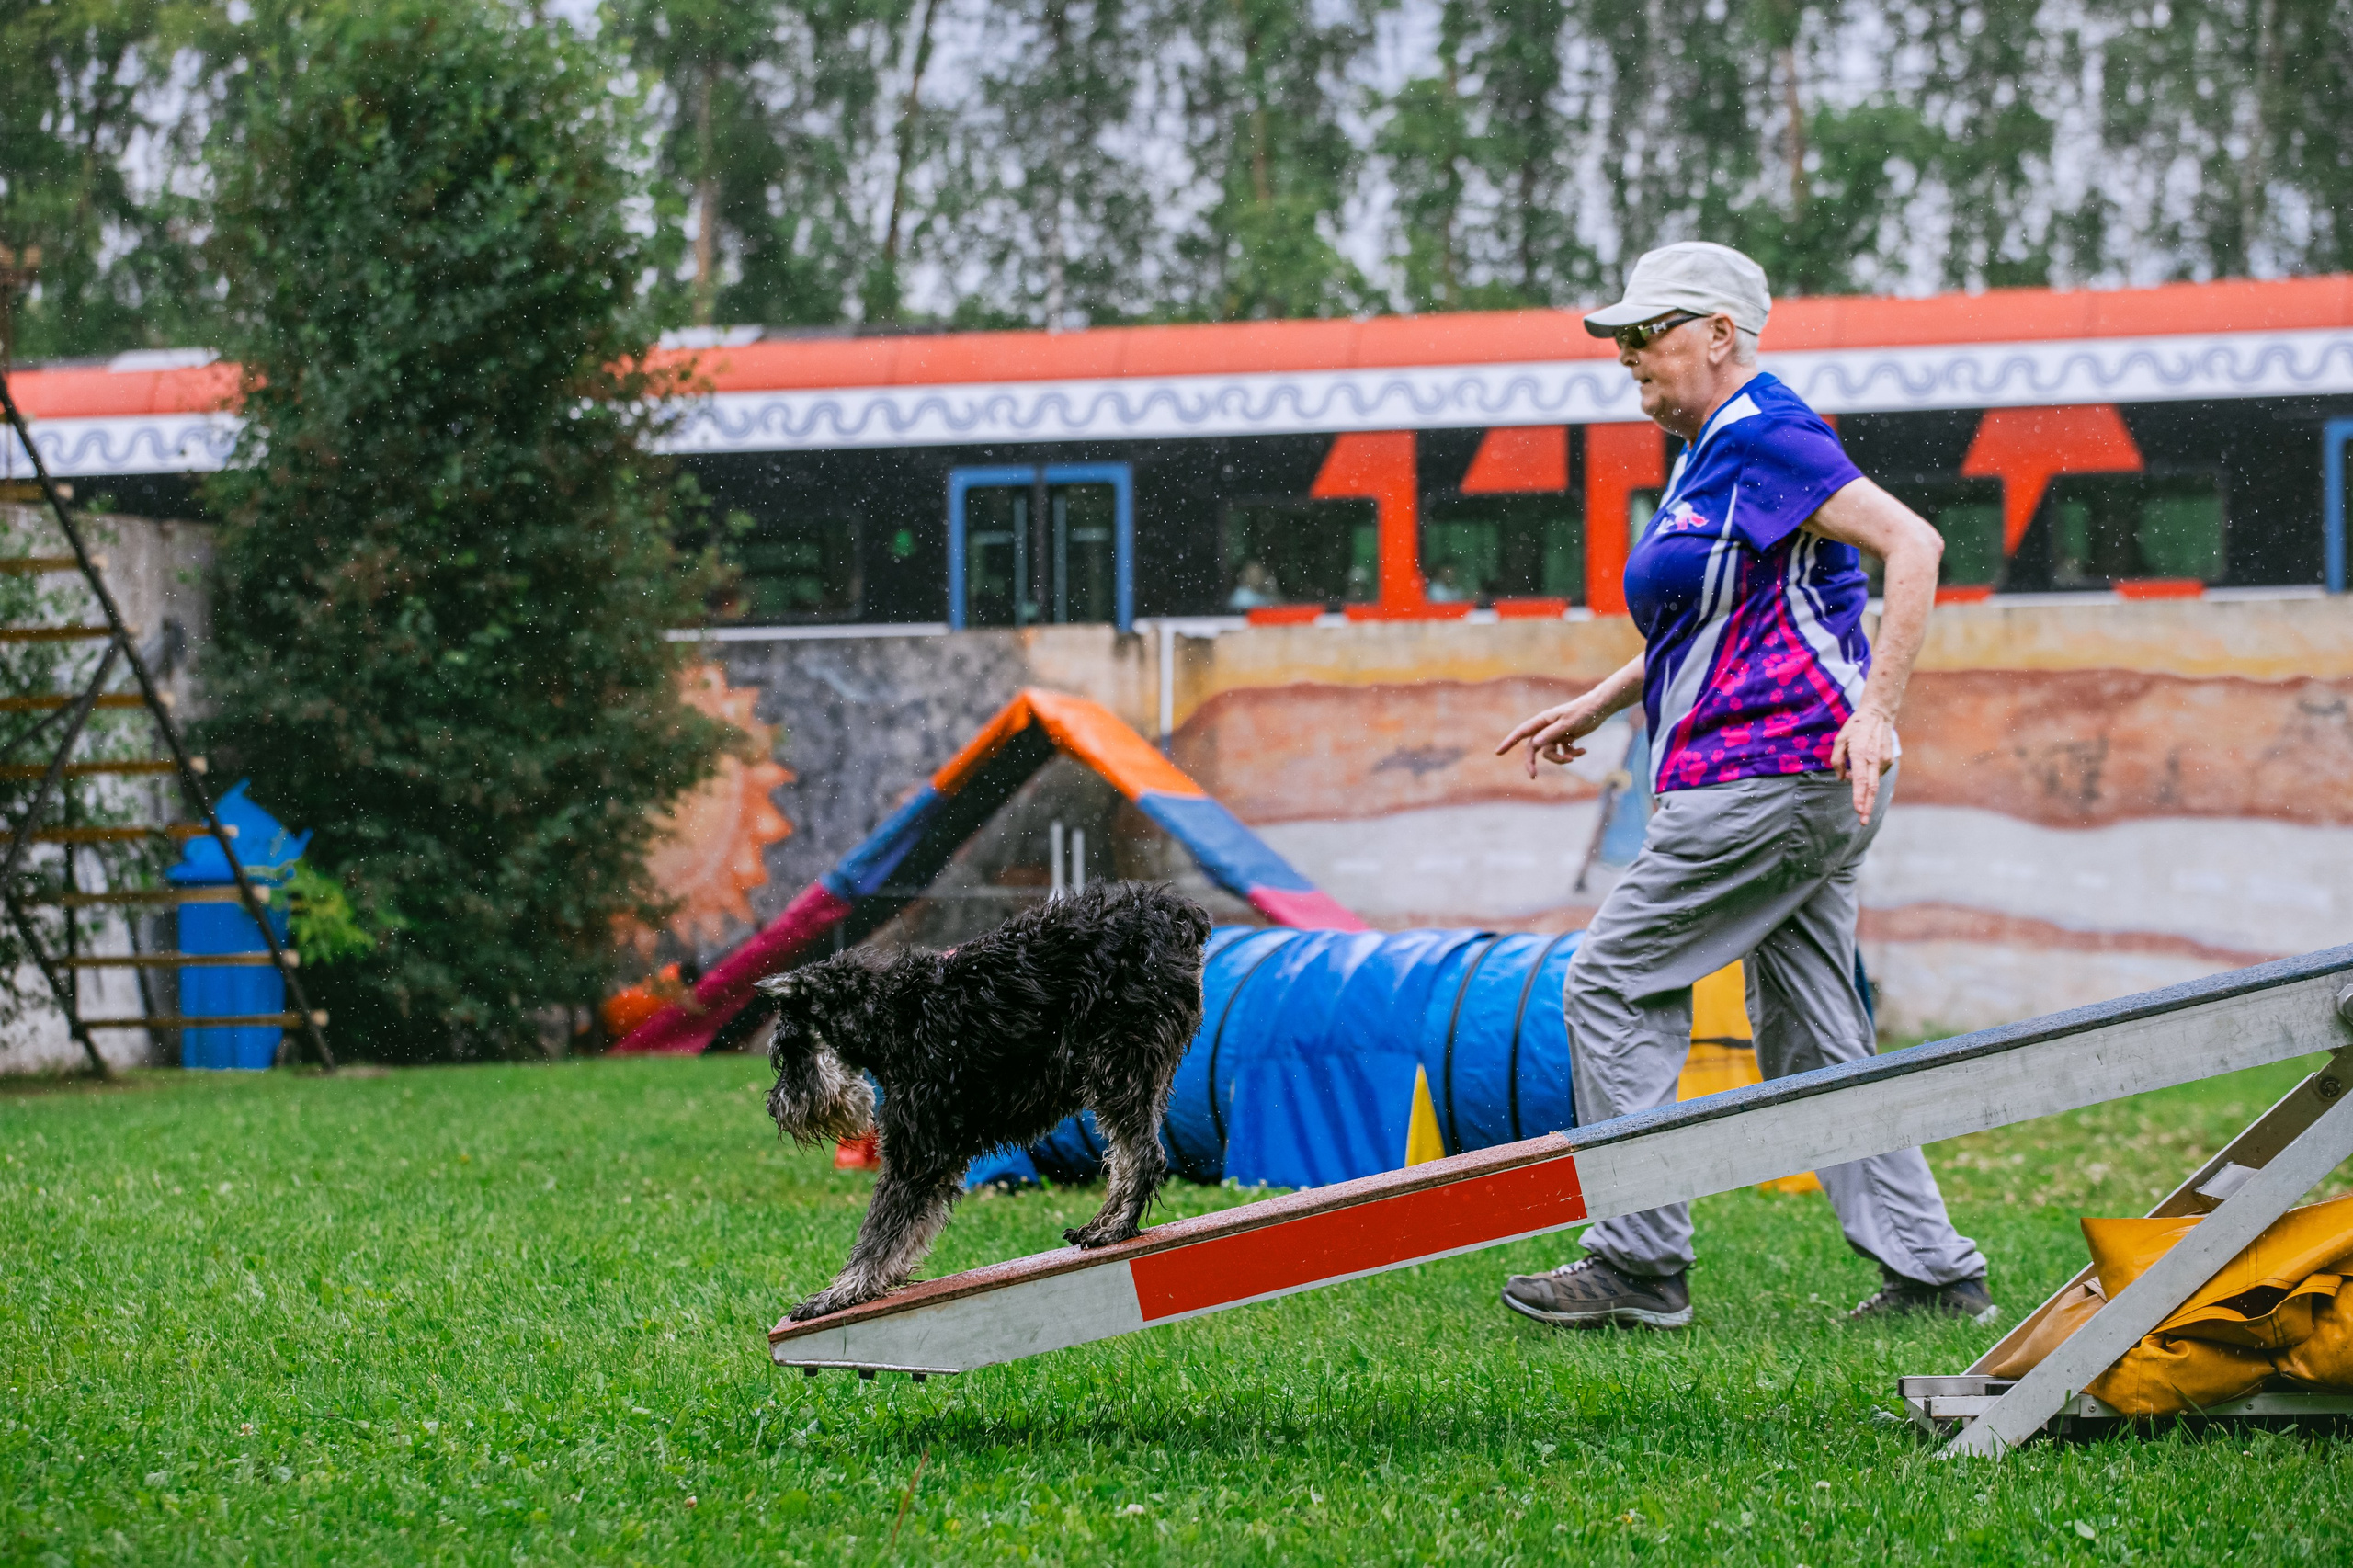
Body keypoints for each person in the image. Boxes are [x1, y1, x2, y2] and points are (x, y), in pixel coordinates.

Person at [1494, 241, 1995, 1328]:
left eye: (1647, 332)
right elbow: (1713, 618)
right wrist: (1601, 701)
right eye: (1620, 337)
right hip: (1780, 777)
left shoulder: (1765, 433)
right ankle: (1932, 1271)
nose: (1626, 353)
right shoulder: (1709, 449)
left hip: (1769, 773)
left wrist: (1876, 711)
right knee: (1814, 1029)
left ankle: (1636, 1261)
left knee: (1611, 980)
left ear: (1719, 334)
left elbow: (1913, 544)